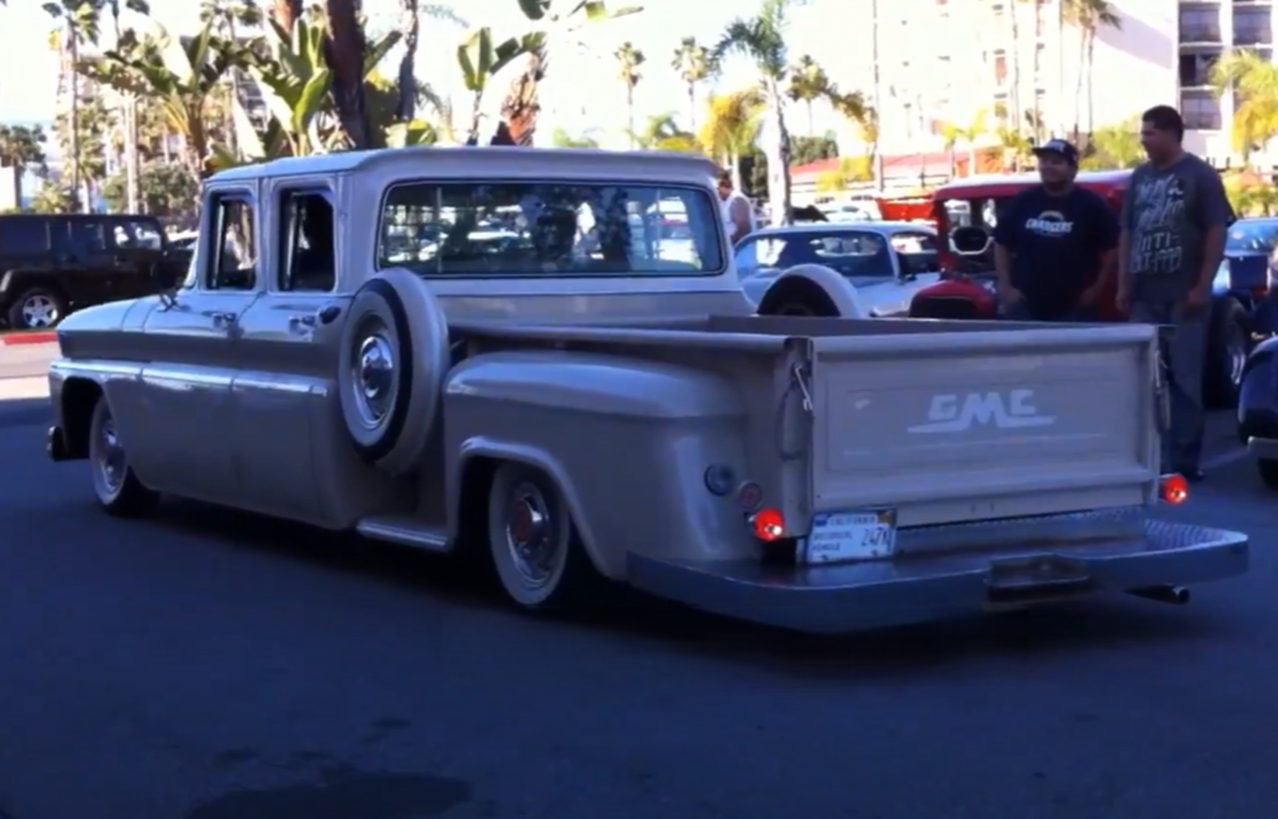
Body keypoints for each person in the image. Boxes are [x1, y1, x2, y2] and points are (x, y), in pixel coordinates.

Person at [1117, 105, 1232, 483]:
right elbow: (1128, 232)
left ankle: (1184, 460)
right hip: (1143, 294)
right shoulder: (1139, 177)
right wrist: (1123, 284)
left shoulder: (1200, 175)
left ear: (1170, 133)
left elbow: (1217, 230)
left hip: (1184, 296)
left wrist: (1202, 285)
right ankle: (1147, 457)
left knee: (1184, 379)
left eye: (1149, 133)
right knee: (1142, 378)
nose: (1144, 140)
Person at [992, 138, 1120, 321]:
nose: (1048, 166)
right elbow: (1001, 242)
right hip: (1025, 306)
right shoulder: (1023, 201)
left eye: (1057, 162)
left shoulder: (1091, 204)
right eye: (1044, 161)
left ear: (1073, 169)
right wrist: (1006, 286)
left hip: (1076, 307)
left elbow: (1113, 247)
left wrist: (1096, 289)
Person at [717, 169, 756, 246]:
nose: (717, 192)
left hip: (740, 252)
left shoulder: (737, 200)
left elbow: (744, 229)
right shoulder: (724, 202)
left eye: (717, 189)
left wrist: (727, 243)